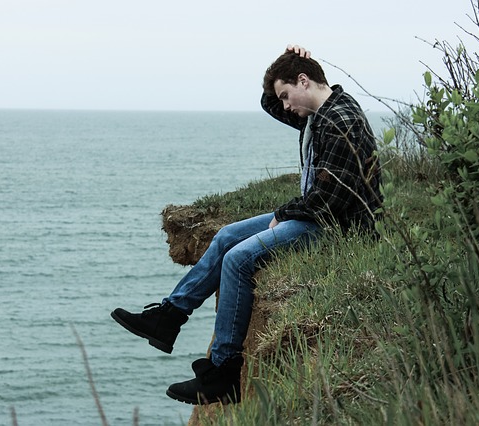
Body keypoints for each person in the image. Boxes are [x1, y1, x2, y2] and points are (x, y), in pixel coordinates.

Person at [111, 45, 382, 405]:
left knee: (239, 259)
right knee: (225, 237)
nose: (285, 106)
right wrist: (281, 69)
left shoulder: (340, 120)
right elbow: (270, 105)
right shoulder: (318, 112)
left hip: (338, 229)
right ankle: (169, 317)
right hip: (318, 215)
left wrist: (284, 213)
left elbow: (332, 201)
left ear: (304, 81)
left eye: (287, 95)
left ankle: (223, 372)